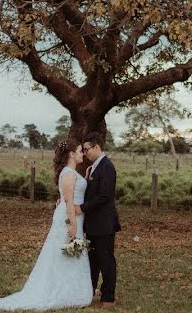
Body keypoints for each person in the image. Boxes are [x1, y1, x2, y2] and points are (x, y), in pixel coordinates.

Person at [0, 138, 93, 310]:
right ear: (72, 154)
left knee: (72, 254)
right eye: (80, 151)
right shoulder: (68, 174)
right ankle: (62, 291)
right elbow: (68, 200)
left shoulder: (73, 173)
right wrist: (72, 224)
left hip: (76, 218)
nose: (83, 154)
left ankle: (73, 290)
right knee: (64, 253)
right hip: (69, 218)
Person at [75, 132, 121, 309]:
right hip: (92, 224)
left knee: (106, 261)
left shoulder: (107, 167)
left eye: (87, 149)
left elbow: (104, 196)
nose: (85, 153)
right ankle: (90, 291)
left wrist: (82, 208)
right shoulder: (93, 167)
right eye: (83, 150)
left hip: (104, 224)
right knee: (92, 260)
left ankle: (108, 297)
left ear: (97, 147)